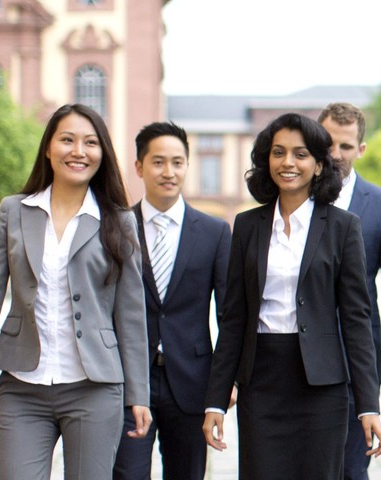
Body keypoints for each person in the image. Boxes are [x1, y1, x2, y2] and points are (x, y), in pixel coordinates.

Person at [0, 103, 151, 480]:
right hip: (23, 388)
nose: (79, 151)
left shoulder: (119, 221)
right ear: (48, 148)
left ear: (102, 153)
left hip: (95, 388)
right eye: (67, 140)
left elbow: (130, 313)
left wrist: (138, 394)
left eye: (90, 143)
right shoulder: (14, 211)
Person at [202, 112, 381, 479]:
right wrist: (215, 401)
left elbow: (356, 320)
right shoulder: (247, 226)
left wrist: (368, 405)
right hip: (262, 383)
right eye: (278, 152)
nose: (288, 162)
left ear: (319, 165)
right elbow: (234, 318)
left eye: (301, 154)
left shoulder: (342, 227)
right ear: (266, 161)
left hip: (322, 386)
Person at [113, 122, 231, 480]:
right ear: (139, 167)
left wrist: (227, 385)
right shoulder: (115, 227)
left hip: (192, 383)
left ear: (187, 166)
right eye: (159, 162)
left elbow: (228, 315)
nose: (169, 172)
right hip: (129, 381)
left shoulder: (214, 232)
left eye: (177, 162)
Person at [318, 102, 381, 479]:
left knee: (351, 465)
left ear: (361, 150)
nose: (335, 155)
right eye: (328, 144)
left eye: (346, 147)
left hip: (356, 355)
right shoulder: (293, 198)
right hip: (294, 354)